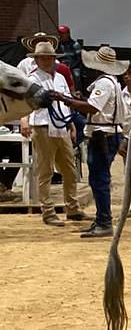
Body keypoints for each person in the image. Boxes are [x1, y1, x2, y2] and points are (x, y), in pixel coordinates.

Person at [54, 46, 129, 238]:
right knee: (98, 178)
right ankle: (101, 219)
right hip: (107, 134)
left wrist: (65, 99)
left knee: (99, 179)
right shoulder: (112, 82)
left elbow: (92, 108)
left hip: (102, 134)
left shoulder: (104, 83)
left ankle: (104, 221)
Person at [18, 42, 87, 226]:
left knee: (69, 170)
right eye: (43, 57)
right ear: (36, 59)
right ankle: (48, 212)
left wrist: (71, 124)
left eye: (50, 57)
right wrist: (24, 120)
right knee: (45, 170)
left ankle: (72, 208)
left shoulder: (61, 79)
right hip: (41, 126)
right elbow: (24, 103)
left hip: (61, 125)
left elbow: (65, 104)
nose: (47, 60)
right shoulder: (32, 79)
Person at [57, 25, 82, 92]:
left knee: (76, 75)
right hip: (61, 65)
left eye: (63, 33)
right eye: (60, 33)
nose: (61, 35)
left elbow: (79, 58)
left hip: (73, 66)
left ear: (68, 34)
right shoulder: (58, 45)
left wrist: (71, 66)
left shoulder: (75, 44)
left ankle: (77, 91)